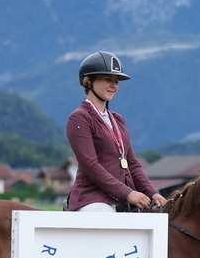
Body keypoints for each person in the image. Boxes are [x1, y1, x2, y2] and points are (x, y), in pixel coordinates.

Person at [66, 51, 166, 212]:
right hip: (92, 199)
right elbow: (90, 165)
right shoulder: (79, 118)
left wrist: (152, 192)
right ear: (88, 81)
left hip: (124, 199)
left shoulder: (118, 119)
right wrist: (127, 193)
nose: (114, 85)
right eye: (108, 79)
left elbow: (132, 163)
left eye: (116, 81)